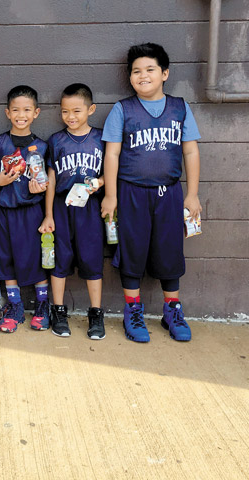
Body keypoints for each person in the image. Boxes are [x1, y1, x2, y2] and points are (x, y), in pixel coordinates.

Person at [101, 42, 202, 343]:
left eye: (150, 70)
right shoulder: (122, 109)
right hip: (131, 192)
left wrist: (192, 194)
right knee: (132, 250)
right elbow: (112, 155)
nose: (142, 76)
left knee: (170, 249)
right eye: (136, 71)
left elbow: (191, 153)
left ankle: (172, 309)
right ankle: (133, 310)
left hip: (169, 192)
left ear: (165, 73)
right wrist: (110, 194)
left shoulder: (180, 107)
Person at [39, 83, 106, 339]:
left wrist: (99, 184)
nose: (71, 116)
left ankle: (96, 313)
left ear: (91, 109)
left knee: (92, 259)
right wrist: (48, 214)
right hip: (62, 206)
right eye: (65, 111)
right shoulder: (56, 141)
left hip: (90, 208)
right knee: (59, 258)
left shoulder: (101, 138)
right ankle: (58, 310)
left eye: (77, 111)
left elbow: (111, 172)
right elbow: (52, 180)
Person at [0, 86, 50, 333]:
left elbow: (49, 183)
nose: (21, 115)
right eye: (16, 110)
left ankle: (43, 304)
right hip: (3, 211)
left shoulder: (43, 147)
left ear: (36, 113)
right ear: (7, 112)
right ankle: (14, 305)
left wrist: (42, 190)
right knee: (5, 259)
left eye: (27, 110)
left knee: (34, 259)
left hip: (30, 211)